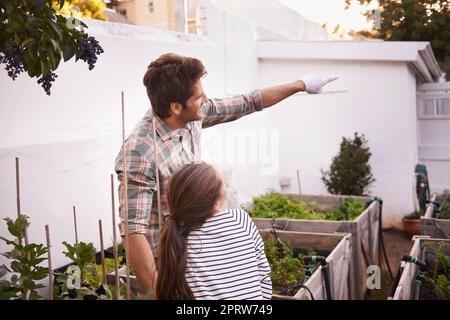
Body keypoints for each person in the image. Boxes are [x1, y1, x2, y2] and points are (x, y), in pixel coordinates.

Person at [114, 53, 337, 294]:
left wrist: (300, 85)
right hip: (172, 264)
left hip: (200, 253)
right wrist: (160, 292)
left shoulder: (190, 117)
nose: (205, 99)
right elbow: (133, 230)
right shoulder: (140, 151)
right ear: (176, 107)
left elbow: (248, 102)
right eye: (199, 97)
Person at [156, 162, 272, 300]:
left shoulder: (175, 237)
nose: (226, 186)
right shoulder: (240, 219)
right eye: (222, 183)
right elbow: (263, 277)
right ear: (215, 204)